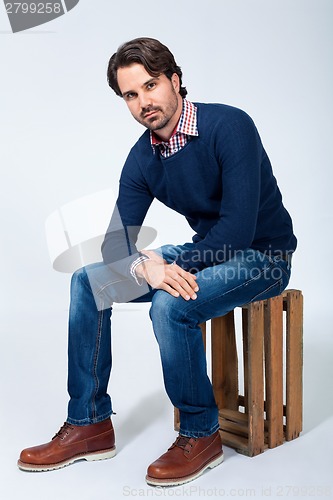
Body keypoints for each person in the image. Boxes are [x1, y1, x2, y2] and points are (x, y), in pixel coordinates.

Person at [18, 37, 297, 486]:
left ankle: (199, 432)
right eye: (131, 94)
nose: (144, 102)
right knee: (90, 282)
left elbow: (239, 229)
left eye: (151, 85)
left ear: (175, 80)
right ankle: (89, 423)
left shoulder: (229, 126)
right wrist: (144, 267)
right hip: (209, 253)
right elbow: (115, 246)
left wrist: (169, 265)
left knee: (171, 304)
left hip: (263, 257)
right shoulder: (142, 157)